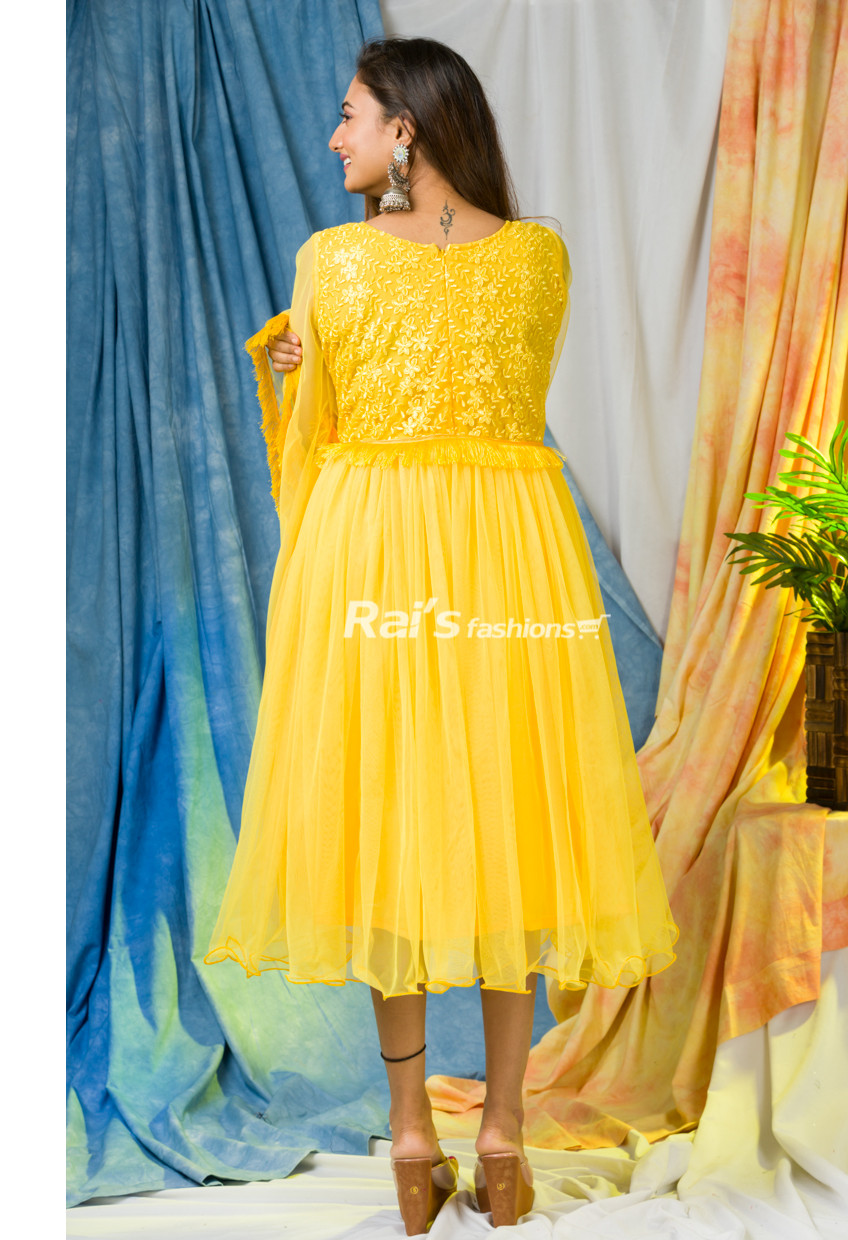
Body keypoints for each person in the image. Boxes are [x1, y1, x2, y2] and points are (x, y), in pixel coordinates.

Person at [204, 35, 679, 1234]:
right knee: (513, 823)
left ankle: (415, 1136)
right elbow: (499, 386)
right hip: (513, 553)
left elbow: (318, 432)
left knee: (390, 825)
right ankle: (505, 1131)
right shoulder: (541, 255)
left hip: (370, 554)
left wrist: (294, 357)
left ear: (405, 127)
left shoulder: (333, 261)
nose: (336, 138)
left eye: (352, 116)